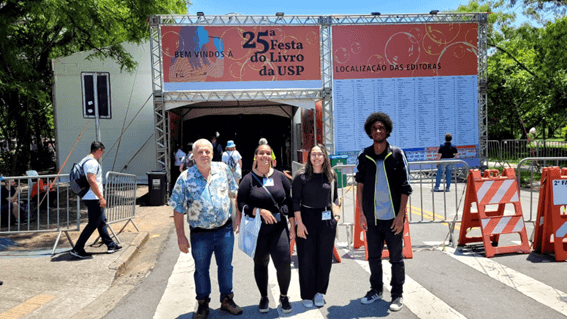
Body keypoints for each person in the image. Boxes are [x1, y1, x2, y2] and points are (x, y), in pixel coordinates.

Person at [169, 139, 243, 319]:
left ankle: (227, 299)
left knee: (226, 267)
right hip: (200, 234)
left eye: (207, 152)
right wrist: (181, 236)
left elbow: (235, 193)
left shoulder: (223, 170)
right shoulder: (184, 178)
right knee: (201, 269)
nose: (204, 155)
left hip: (224, 231)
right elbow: (178, 209)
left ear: (213, 153)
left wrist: (238, 215)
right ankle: (203, 304)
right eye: (200, 152)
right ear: (193, 156)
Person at [356, 112, 412, 312]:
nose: (378, 131)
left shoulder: (397, 154)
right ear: (370, 132)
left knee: (396, 258)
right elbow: (360, 186)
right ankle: (375, 289)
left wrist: (400, 216)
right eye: (374, 128)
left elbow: (406, 187)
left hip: (393, 218)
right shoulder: (364, 156)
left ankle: (397, 294)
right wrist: (362, 214)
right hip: (372, 219)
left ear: (387, 130)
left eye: (381, 128)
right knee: (373, 257)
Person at [237, 143, 293, 314]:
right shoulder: (248, 179)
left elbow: (290, 201)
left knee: (283, 262)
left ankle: (284, 296)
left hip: (279, 227)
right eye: (261, 153)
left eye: (268, 153)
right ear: (255, 157)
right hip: (258, 229)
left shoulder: (280, 177)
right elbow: (241, 203)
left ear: (272, 157)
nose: (264, 156)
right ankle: (264, 297)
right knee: (260, 263)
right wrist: (257, 211)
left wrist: (292, 224)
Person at [292, 144, 340, 308]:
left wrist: (337, 216)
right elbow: (295, 201)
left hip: (327, 219)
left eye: (320, 154)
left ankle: (320, 292)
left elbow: (335, 198)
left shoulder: (331, 175)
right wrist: (299, 223)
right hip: (306, 218)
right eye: (313, 154)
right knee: (306, 258)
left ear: (325, 157)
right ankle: (307, 294)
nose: (317, 157)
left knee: (324, 258)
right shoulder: (301, 176)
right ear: (309, 157)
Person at [70, 141, 122, 259]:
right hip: (93, 197)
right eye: (102, 152)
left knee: (101, 221)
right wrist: (101, 197)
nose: (101, 155)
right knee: (93, 223)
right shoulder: (92, 163)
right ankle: (77, 248)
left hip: (89, 196)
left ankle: (110, 245)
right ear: (99, 150)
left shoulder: (84, 160)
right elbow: (92, 180)